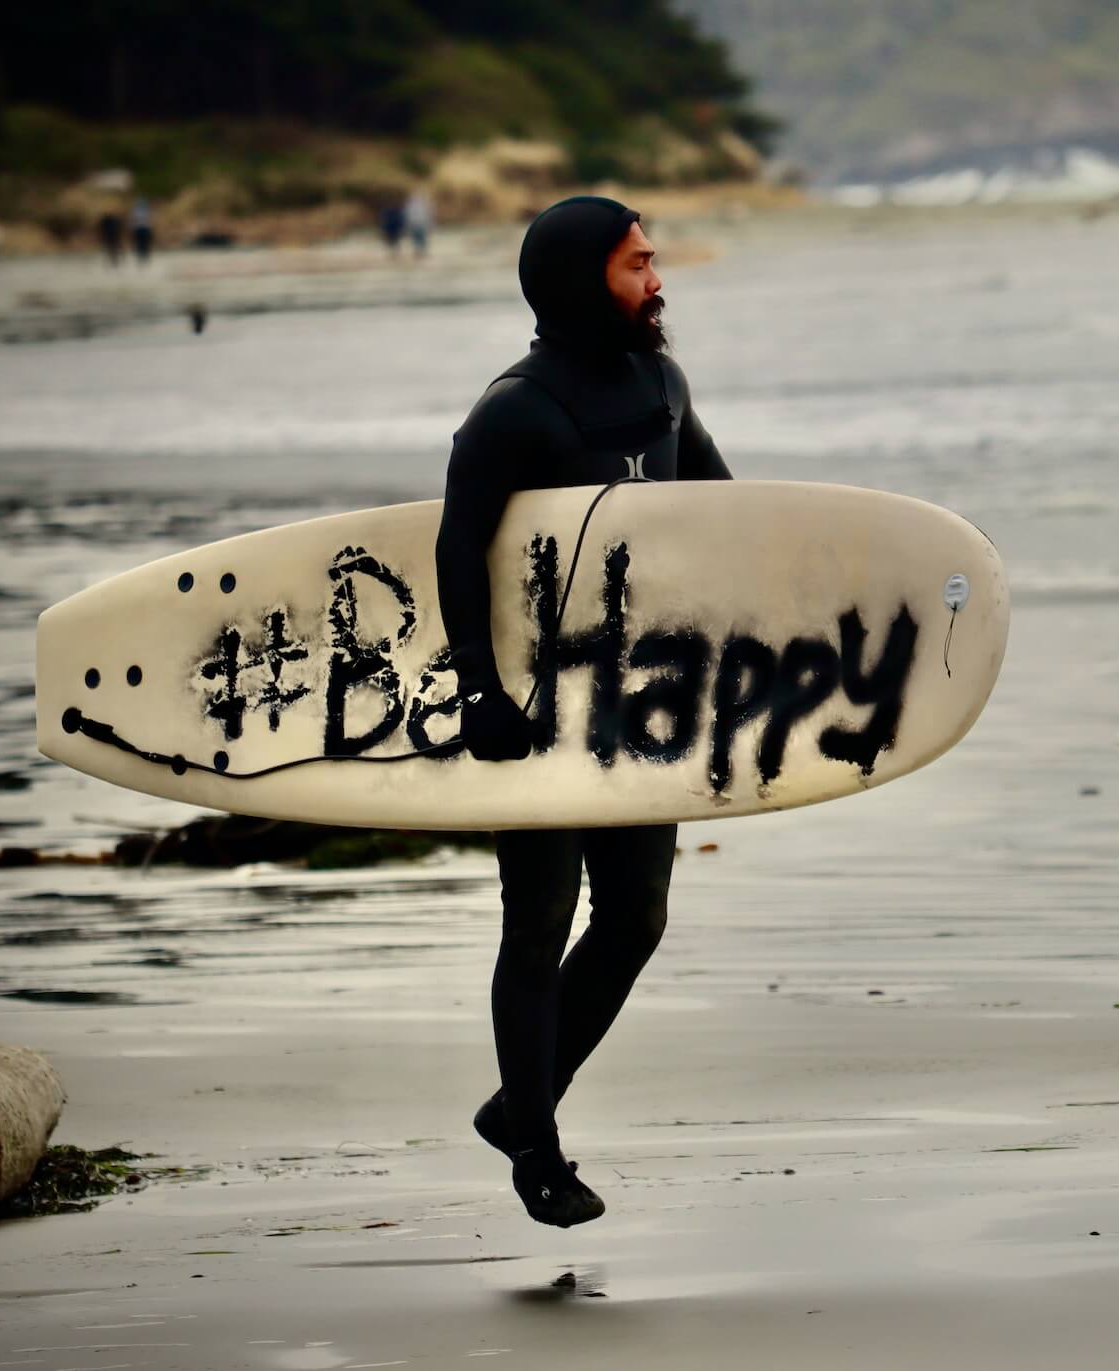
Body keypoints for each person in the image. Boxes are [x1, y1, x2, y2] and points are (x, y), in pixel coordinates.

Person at [434, 196, 730, 1227]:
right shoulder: (513, 411)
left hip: (640, 706)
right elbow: (458, 549)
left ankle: (519, 1103)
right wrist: (478, 687)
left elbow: (725, 515)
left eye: (653, 262)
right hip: (534, 710)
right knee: (538, 923)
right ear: (579, 281)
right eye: (637, 265)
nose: (658, 281)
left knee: (637, 919)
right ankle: (540, 1152)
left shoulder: (662, 383)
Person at [404, 188, 433, 258]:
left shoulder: (423, 204)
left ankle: (420, 252)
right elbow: (408, 215)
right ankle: (419, 252)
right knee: (418, 239)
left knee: (420, 239)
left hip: (420, 224)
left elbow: (429, 215)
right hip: (417, 225)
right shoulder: (411, 205)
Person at [129, 199, 154, 265]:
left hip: (139, 229)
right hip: (144, 229)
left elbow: (132, 221)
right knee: (144, 243)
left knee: (140, 244)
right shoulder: (146, 211)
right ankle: (144, 257)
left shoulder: (135, 211)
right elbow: (150, 221)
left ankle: (142, 257)